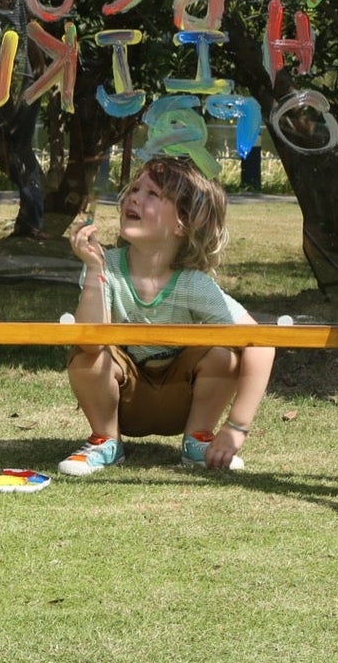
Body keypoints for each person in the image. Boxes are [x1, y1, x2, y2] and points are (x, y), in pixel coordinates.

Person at [57, 156, 272, 477]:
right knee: (87, 358)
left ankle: (198, 440)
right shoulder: (105, 266)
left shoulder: (194, 284)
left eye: (152, 194)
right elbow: (89, 343)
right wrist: (93, 269)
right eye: (134, 189)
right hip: (122, 404)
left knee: (224, 354)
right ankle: (106, 441)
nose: (133, 198)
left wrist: (236, 427)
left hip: (181, 405)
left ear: (182, 223)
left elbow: (261, 343)